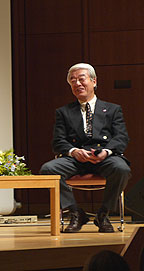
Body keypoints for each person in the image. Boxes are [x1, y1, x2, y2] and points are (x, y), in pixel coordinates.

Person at [40, 63, 131, 233]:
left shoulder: (112, 109)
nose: (77, 84)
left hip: (105, 157)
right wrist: (74, 151)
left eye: (81, 79)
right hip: (76, 159)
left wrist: (106, 152)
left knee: (122, 169)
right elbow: (58, 141)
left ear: (94, 81)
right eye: (73, 81)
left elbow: (121, 137)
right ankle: (76, 213)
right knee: (48, 169)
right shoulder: (64, 112)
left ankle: (103, 214)